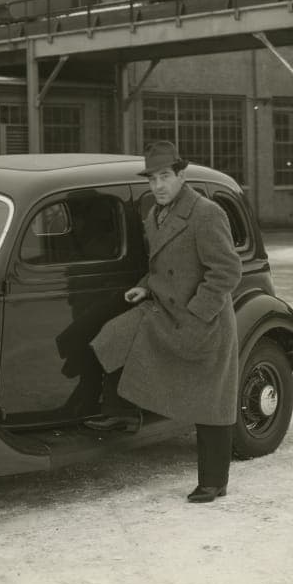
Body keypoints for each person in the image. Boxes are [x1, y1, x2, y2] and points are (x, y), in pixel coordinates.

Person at [88, 141, 242, 503]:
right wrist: (144, 287)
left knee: (211, 403)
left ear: (181, 175)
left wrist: (197, 312)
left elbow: (227, 271)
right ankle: (124, 412)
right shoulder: (155, 213)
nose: (157, 185)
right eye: (152, 179)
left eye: (164, 177)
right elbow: (160, 265)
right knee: (111, 337)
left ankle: (214, 482)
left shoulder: (206, 213)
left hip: (204, 320)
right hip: (165, 310)